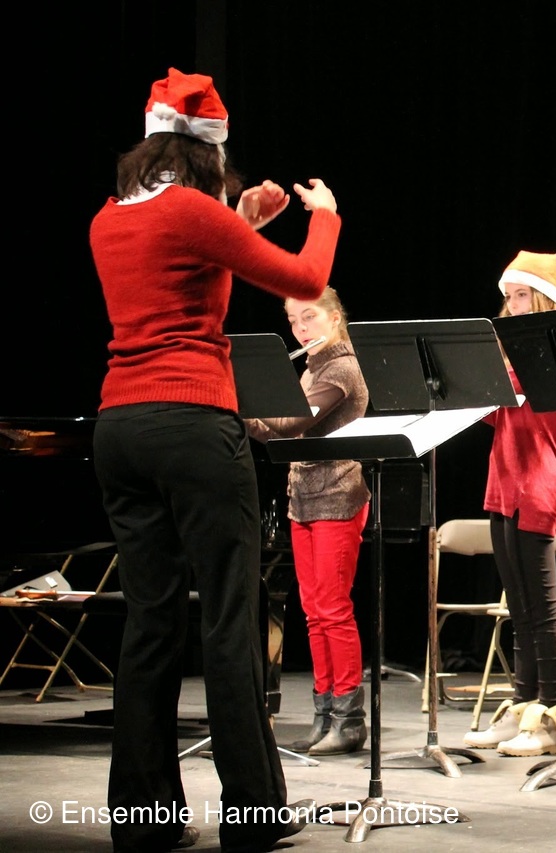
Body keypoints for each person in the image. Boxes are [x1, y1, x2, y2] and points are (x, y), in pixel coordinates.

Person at [90, 67, 340, 852]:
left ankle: (143, 815)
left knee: (150, 622)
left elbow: (184, 274)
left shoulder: (107, 218)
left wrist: (239, 221)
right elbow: (307, 279)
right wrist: (325, 217)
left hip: (119, 427)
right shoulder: (193, 212)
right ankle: (253, 811)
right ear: (208, 154)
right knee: (231, 618)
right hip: (194, 422)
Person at [245, 287, 370, 756]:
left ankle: (349, 720)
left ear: (335, 318)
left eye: (310, 317)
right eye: (294, 320)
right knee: (314, 611)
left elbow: (291, 424)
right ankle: (324, 715)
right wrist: (239, 414)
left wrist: (243, 397)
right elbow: (275, 433)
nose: (300, 329)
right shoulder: (311, 369)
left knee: (333, 609)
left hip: (338, 496)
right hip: (303, 497)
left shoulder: (342, 368)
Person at [463, 251, 556, 757]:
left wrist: (493, 369)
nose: (511, 304)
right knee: (519, 606)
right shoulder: (508, 351)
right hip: (503, 479)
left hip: (538, 480)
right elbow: (495, 412)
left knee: (543, 608)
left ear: (542, 298)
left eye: (521, 294)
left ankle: (553, 714)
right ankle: (524, 703)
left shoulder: (552, 348)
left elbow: (524, 393)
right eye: (508, 296)